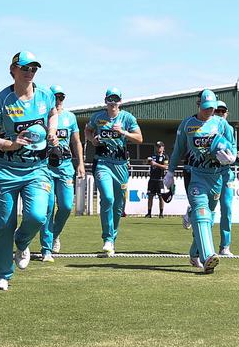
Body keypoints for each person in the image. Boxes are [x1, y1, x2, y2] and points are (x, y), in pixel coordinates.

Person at [0, 52, 57, 286]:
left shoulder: (46, 96)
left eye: (34, 68)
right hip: (6, 170)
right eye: (24, 68)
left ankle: (22, 242)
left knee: (37, 215)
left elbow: (53, 113)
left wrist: (52, 131)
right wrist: (9, 144)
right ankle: (2, 275)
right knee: (5, 224)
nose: (29, 72)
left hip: (37, 169)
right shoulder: (2, 100)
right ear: (12, 69)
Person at [165, 90, 236, 274]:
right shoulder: (188, 124)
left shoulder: (221, 123)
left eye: (212, 108)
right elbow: (178, 149)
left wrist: (230, 158)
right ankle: (208, 257)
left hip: (216, 177)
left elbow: (232, 146)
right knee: (202, 212)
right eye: (205, 108)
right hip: (195, 175)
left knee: (208, 217)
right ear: (198, 105)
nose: (208, 112)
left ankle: (194, 252)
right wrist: (170, 172)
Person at [85, 88, 142, 256]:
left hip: (121, 164)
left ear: (120, 101)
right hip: (102, 162)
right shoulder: (98, 117)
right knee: (107, 198)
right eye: (110, 99)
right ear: (105, 100)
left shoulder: (127, 118)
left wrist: (123, 132)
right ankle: (107, 238)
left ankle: (113, 238)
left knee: (118, 205)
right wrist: (92, 139)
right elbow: (87, 130)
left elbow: (139, 138)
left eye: (116, 99)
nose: (113, 102)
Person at [38, 84, 83, 260]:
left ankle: (54, 234)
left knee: (65, 206)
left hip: (65, 166)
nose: (58, 100)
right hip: (46, 167)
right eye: (55, 97)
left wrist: (80, 163)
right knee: (48, 207)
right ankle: (46, 249)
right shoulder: (43, 115)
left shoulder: (70, 117)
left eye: (61, 97)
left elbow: (77, 142)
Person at [214, 100, 237, 255]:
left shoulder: (229, 129)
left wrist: (232, 158)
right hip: (209, 173)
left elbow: (233, 147)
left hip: (226, 173)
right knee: (207, 209)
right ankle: (201, 246)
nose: (221, 114)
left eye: (223, 112)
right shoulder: (207, 127)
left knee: (227, 208)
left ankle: (225, 246)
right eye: (218, 111)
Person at [145, 141, 169, 218]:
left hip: (160, 179)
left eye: (160, 146)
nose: (158, 148)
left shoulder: (165, 157)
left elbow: (165, 167)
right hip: (152, 179)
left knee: (161, 196)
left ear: (163, 147)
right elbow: (145, 163)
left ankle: (161, 213)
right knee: (150, 196)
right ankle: (149, 213)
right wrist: (147, 161)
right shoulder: (152, 156)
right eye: (157, 146)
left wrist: (155, 164)